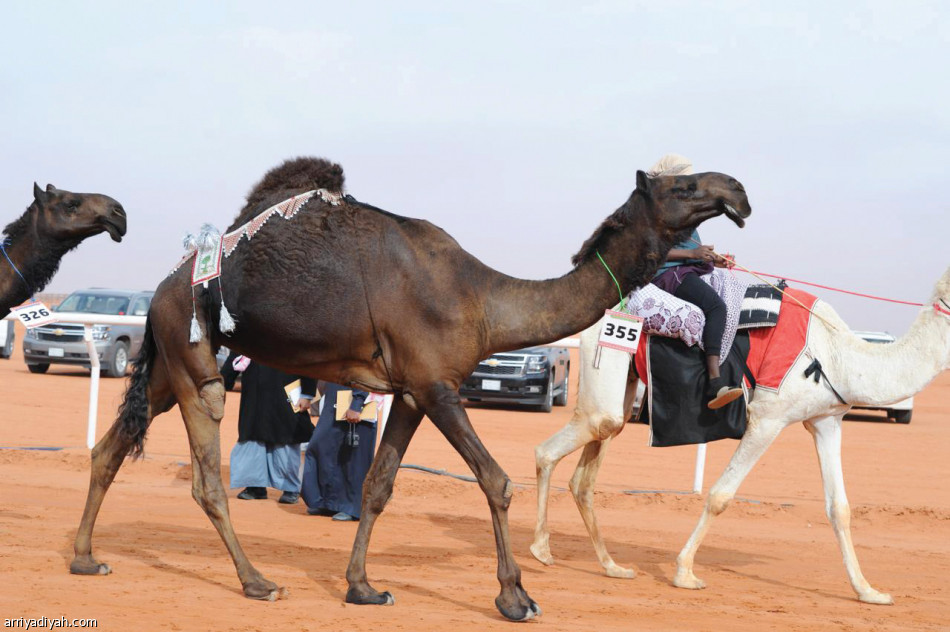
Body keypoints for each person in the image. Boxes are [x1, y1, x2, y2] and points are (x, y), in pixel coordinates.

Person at [649, 154, 743, 410]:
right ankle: (715, 382)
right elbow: (648, 251)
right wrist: (693, 254)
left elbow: (688, 248)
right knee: (717, 307)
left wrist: (714, 258)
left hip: (683, 270)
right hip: (667, 275)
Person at [220, 352, 315, 504]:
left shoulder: (292, 329)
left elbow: (307, 357)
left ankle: (291, 488)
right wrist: (223, 381)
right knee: (253, 436)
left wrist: (307, 394)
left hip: (286, 390)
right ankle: (255, 486)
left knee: (286, 437)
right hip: (255, 393)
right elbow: (236, 353)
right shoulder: (249, 331)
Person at [301, 381, 378, 521]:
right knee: (322, 448)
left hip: (357, 400)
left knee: (352, 458)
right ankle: (327, 502)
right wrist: (309, 395)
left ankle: (351, 508)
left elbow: (363, 372)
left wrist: (356, 404)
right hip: (334, 395)